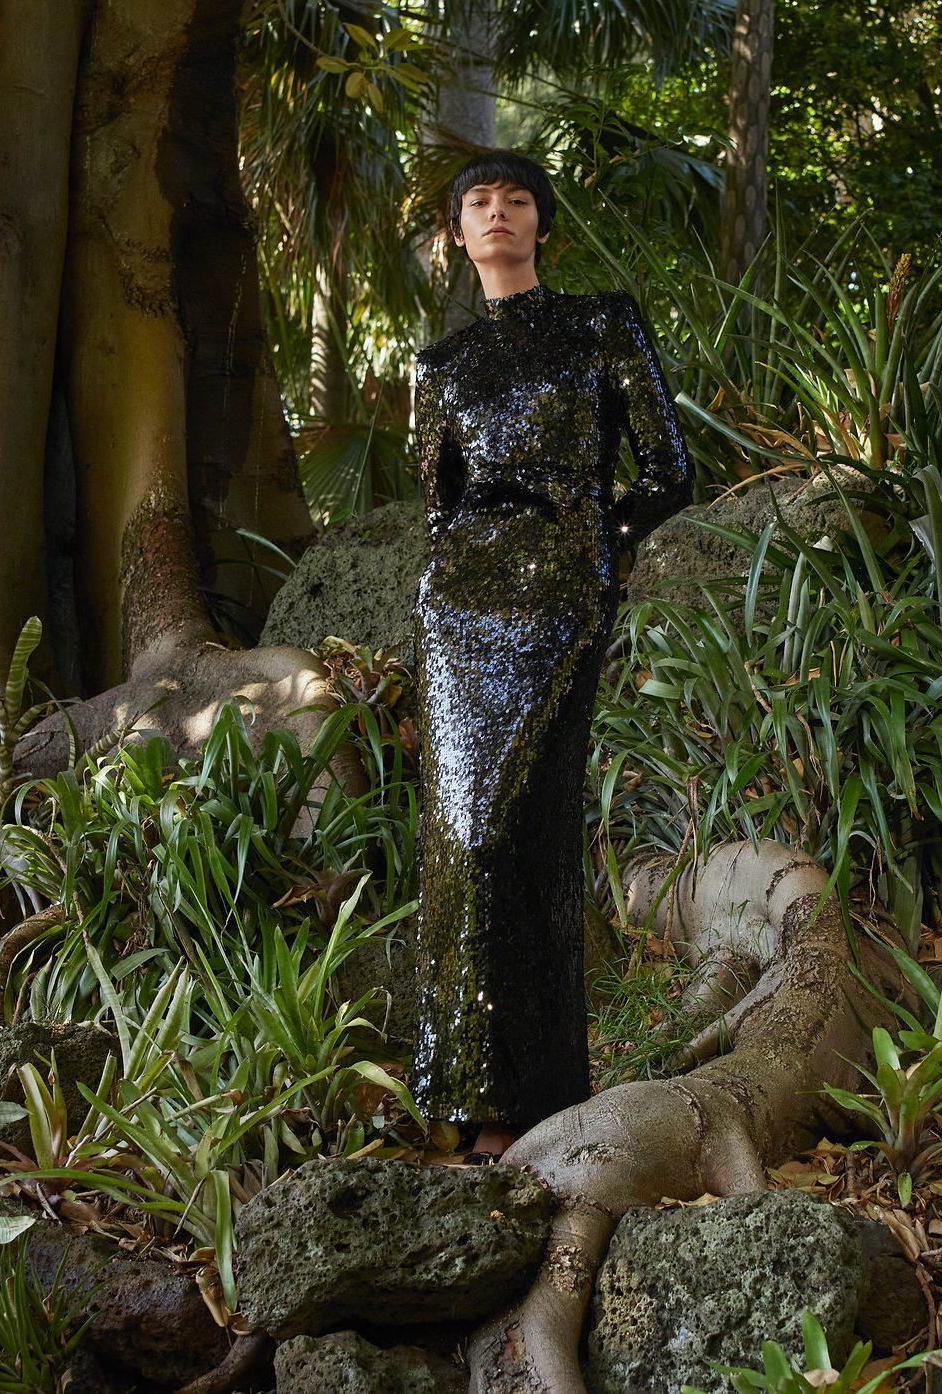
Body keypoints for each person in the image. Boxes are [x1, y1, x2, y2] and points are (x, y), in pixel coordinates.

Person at [408, 150, 693, 1158]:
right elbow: (436, 508)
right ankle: (459, 1093)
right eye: (477, 204)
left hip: (562, 600)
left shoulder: (601, 322)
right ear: (455, 233)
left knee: (520, 833)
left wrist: (594, 551)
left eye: (516, 202)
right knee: (458, 839)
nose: (496, 215)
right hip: (455, 613)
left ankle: (531, 1100)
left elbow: (668, 469)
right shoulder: (439, 366)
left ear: (542, 227)